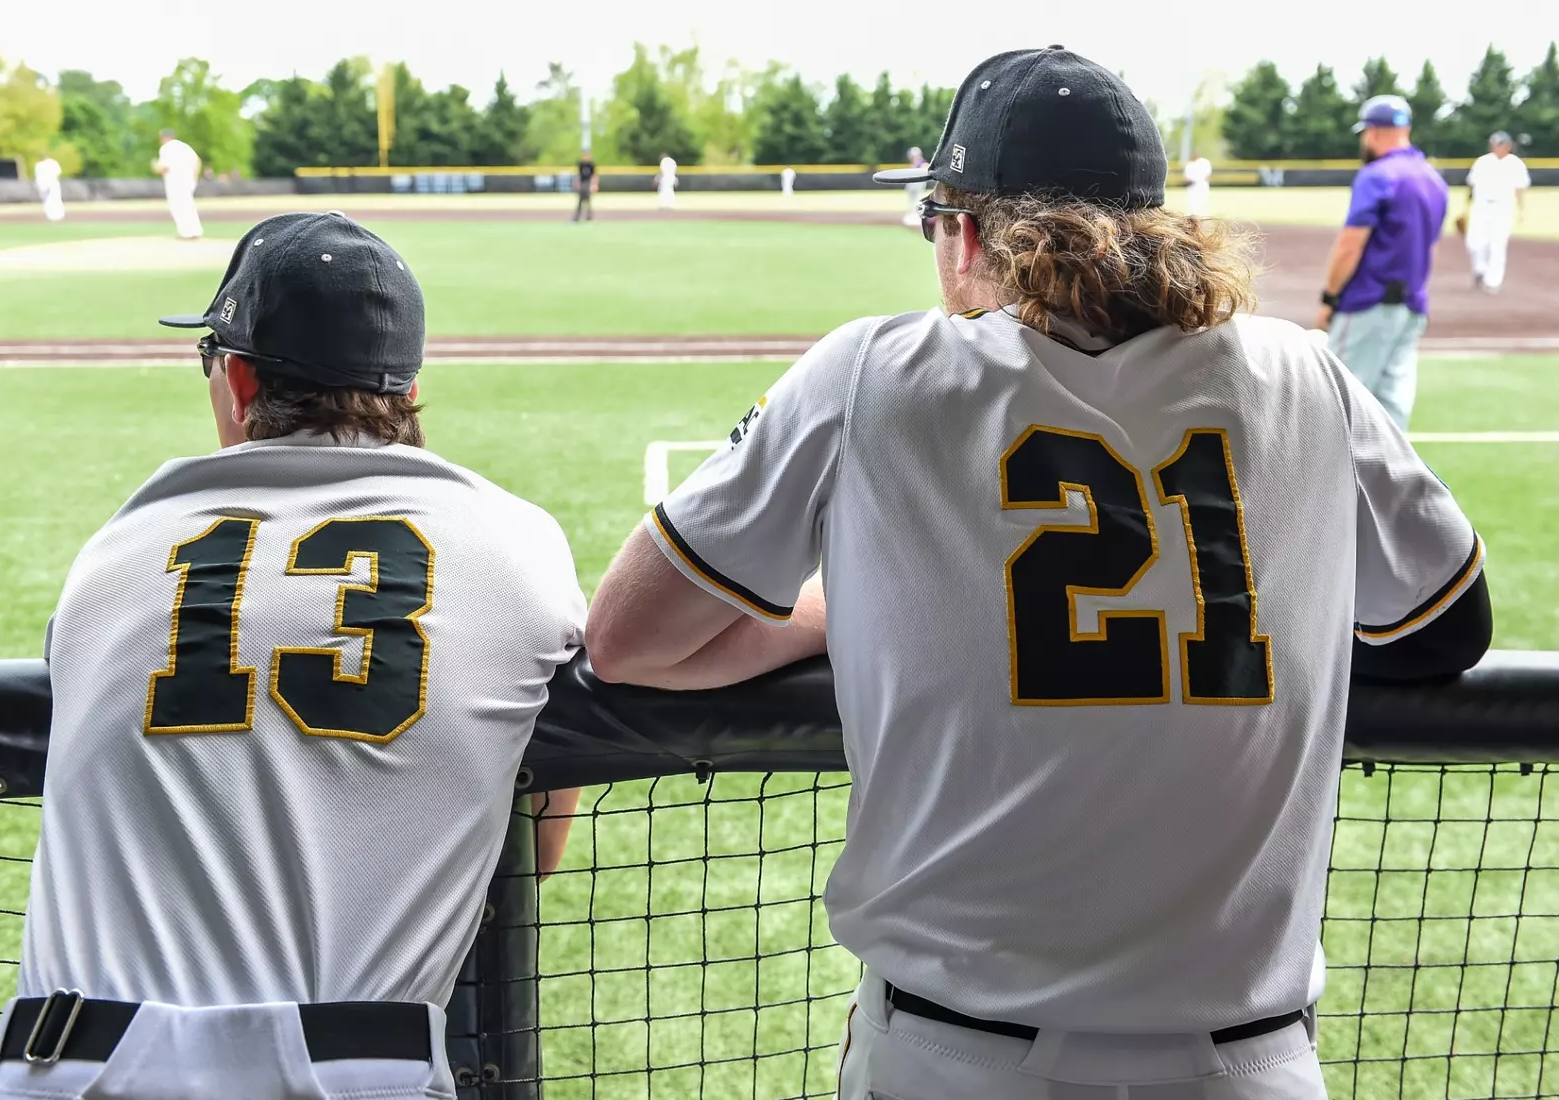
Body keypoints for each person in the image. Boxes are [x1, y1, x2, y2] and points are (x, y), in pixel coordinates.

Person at [584, 45, 1491, 1100]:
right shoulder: (1305, 373)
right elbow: (1445, 627)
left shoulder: (875, 372)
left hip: (954, 1059)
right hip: (1250, 1064)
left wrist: (832, 615)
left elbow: (627, 639)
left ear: (965, 233)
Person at [0, 212, 586, 1100]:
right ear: (410, 390)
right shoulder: (516, 546)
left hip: (65, 1063)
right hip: (358, 1072)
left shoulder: (117, 551)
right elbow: (539, 842)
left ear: (242, 378)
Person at [1314, 95, 1447, 431]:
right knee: (1392, 412)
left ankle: (1335, 484)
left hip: (1367, 304)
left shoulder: (1377, 175)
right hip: (1412, 307)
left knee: (1337, 405)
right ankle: (1391, 483)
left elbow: (1350, 245)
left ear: (1373, 132)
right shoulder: (1434, 179)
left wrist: (1330, 298)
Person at [1461, 130, 1531, 294]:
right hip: (1481, 206)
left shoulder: (1516, 164)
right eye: (1495, 143)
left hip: (1503, 207)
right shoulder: (1482, 162)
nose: (1497, 147)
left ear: (1508, 146)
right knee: (1474, 243)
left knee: (1497, 245)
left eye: (1500, 144)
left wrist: (1521, 210)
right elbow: (1471, 185)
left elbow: (1520, 189)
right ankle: (1480, 270)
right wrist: (1466, 208)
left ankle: (1493, 281)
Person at [153, 128, 204, 240]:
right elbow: (198, 161)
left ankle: (186, 233)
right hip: (189, 181)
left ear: (164, 138)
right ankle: (195, 231)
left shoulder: (166, 148)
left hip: (175, 182)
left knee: (178, 206)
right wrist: (194, 177)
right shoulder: (184, 147)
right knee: (188, 205)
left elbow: (164, 168)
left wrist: (155, 167)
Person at [33, 155, 65, 222]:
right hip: (49, 184)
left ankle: (53, 215)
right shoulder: (43, 164)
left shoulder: (40, 165)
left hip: (46, 184)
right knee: (52, 199)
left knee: (49, 200)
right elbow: (58, 174)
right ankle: (55, 215)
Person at [902, 146, 928, 227]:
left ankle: (917, 216)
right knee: (911, 201)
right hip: (911, 185)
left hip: (918, 185)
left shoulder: (922, 163)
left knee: (917, 200)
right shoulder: (913, 164)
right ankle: (911, 214)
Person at [1183, 149, 1213, 216]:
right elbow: (1186, 176)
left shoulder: (1204, 162)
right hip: (1192, 187)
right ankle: (1192, 216)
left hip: (1202, 185)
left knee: (1203, 201)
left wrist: (1200, 180)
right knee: (1192, 203)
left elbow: (1208, 173)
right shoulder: (1189, 164)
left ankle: (1203, 215)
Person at [572, 152, 597, 222]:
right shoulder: (581, 164)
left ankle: (589, 217)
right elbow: (578, 175)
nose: (586, 158)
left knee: (588, 201)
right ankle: (576, 217)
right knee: (580, 202)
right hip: (582, 183)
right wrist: (576, 184)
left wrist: (594, 185)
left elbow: (594, 175)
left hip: (588, 183)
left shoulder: (591, 165)